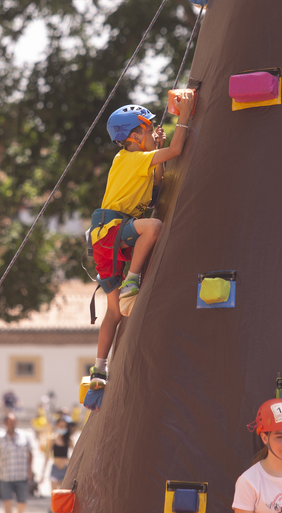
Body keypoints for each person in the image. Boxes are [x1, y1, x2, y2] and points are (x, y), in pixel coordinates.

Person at [89, 93, 195, 391]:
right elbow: (177, 150)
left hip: (105, 236)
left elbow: (157, 185)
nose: (152, 133)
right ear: (134, 137)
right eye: (148, 130)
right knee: (153, 227)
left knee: (113, 313)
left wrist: (157, 145)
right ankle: (132, 282)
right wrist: (183, 116)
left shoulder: (133, 159)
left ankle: (99, 369)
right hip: (113, 229)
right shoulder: (133, 158)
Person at [0, 413, 34, 513]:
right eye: (10, 422)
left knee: (22, 501)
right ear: (5, 423)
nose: (13, 424)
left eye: (14, 422)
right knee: (7, 501)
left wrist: (30, 469)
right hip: (5, 476)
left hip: (21, 475)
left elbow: (30, 453)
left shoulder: (24, 436)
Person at [48, 417, 74, 491]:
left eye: (64, 426)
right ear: (56, 426)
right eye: (61, 426)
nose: (63, 428)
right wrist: (43, 473)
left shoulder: (69, 440)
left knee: (64, 494)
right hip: (55, 468)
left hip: (65, 469)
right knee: (54, 494)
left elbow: (75, 454)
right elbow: (47, 456)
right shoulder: (52, 439)